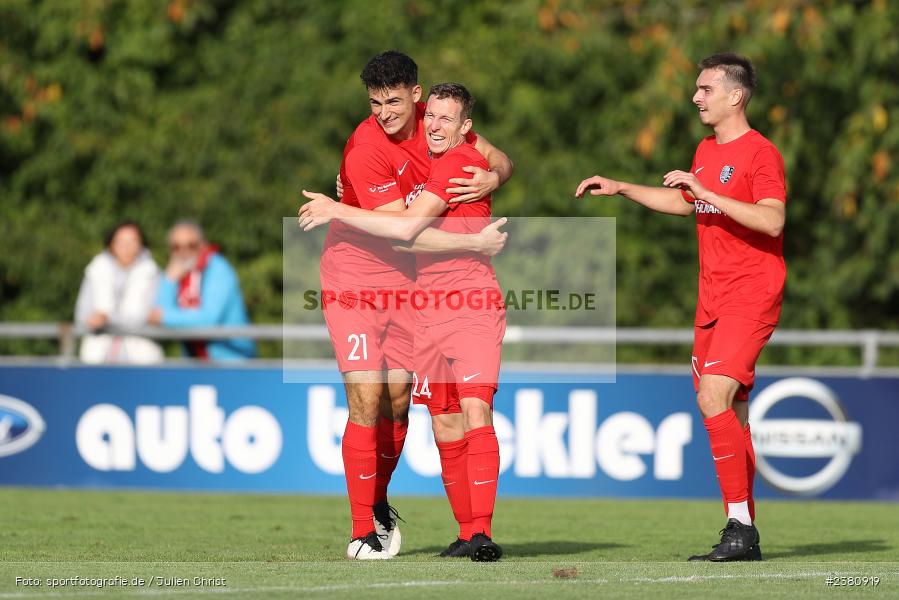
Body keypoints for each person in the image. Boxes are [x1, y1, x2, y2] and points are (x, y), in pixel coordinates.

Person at [575, 53, 786, 562]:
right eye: (697, 88)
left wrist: (705, 189)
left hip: (750, 292)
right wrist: (623, 187)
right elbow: (686, 202)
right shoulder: (705, 149)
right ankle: (744, 528)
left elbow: (772, 221)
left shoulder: (761, 154)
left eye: (706, 89)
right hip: (711, 298)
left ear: (736, 96)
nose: (696, 97)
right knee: (733, 413)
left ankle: (739, 526)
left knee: (712, 398)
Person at [305, 51, 512, 561]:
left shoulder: (438, 124)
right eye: (375, 102)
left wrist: (494, 177)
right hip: (354, 279)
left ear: (416, 95)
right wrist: (473, 245)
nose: (384, 112)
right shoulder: (364, 148)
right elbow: (404, 236)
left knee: (399, 402)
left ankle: (377, 500)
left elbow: (500, 158)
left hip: (409, 286)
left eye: (394, 101)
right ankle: (362, 528)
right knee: (366, 396)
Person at [148, 220, 256, 360]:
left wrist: (164, 317)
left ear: (203, 245)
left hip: (232, 361)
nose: (183, 252)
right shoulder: (178, 275)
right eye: (176, 247)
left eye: (191, 245)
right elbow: (158, 314)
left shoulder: (218, 269)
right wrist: (169, 280)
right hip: (196, 363)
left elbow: (208, 319)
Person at [75, 221, 164, 364]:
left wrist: (106, 319)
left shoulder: (152, 273)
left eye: (132, 241)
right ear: (111, 244)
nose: (126, 246)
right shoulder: (96, 270)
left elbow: (146, 316)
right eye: (121, 241)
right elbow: (82, 314)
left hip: (141, 357)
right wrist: (96, 320)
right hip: (97, 357)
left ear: (141, 244)